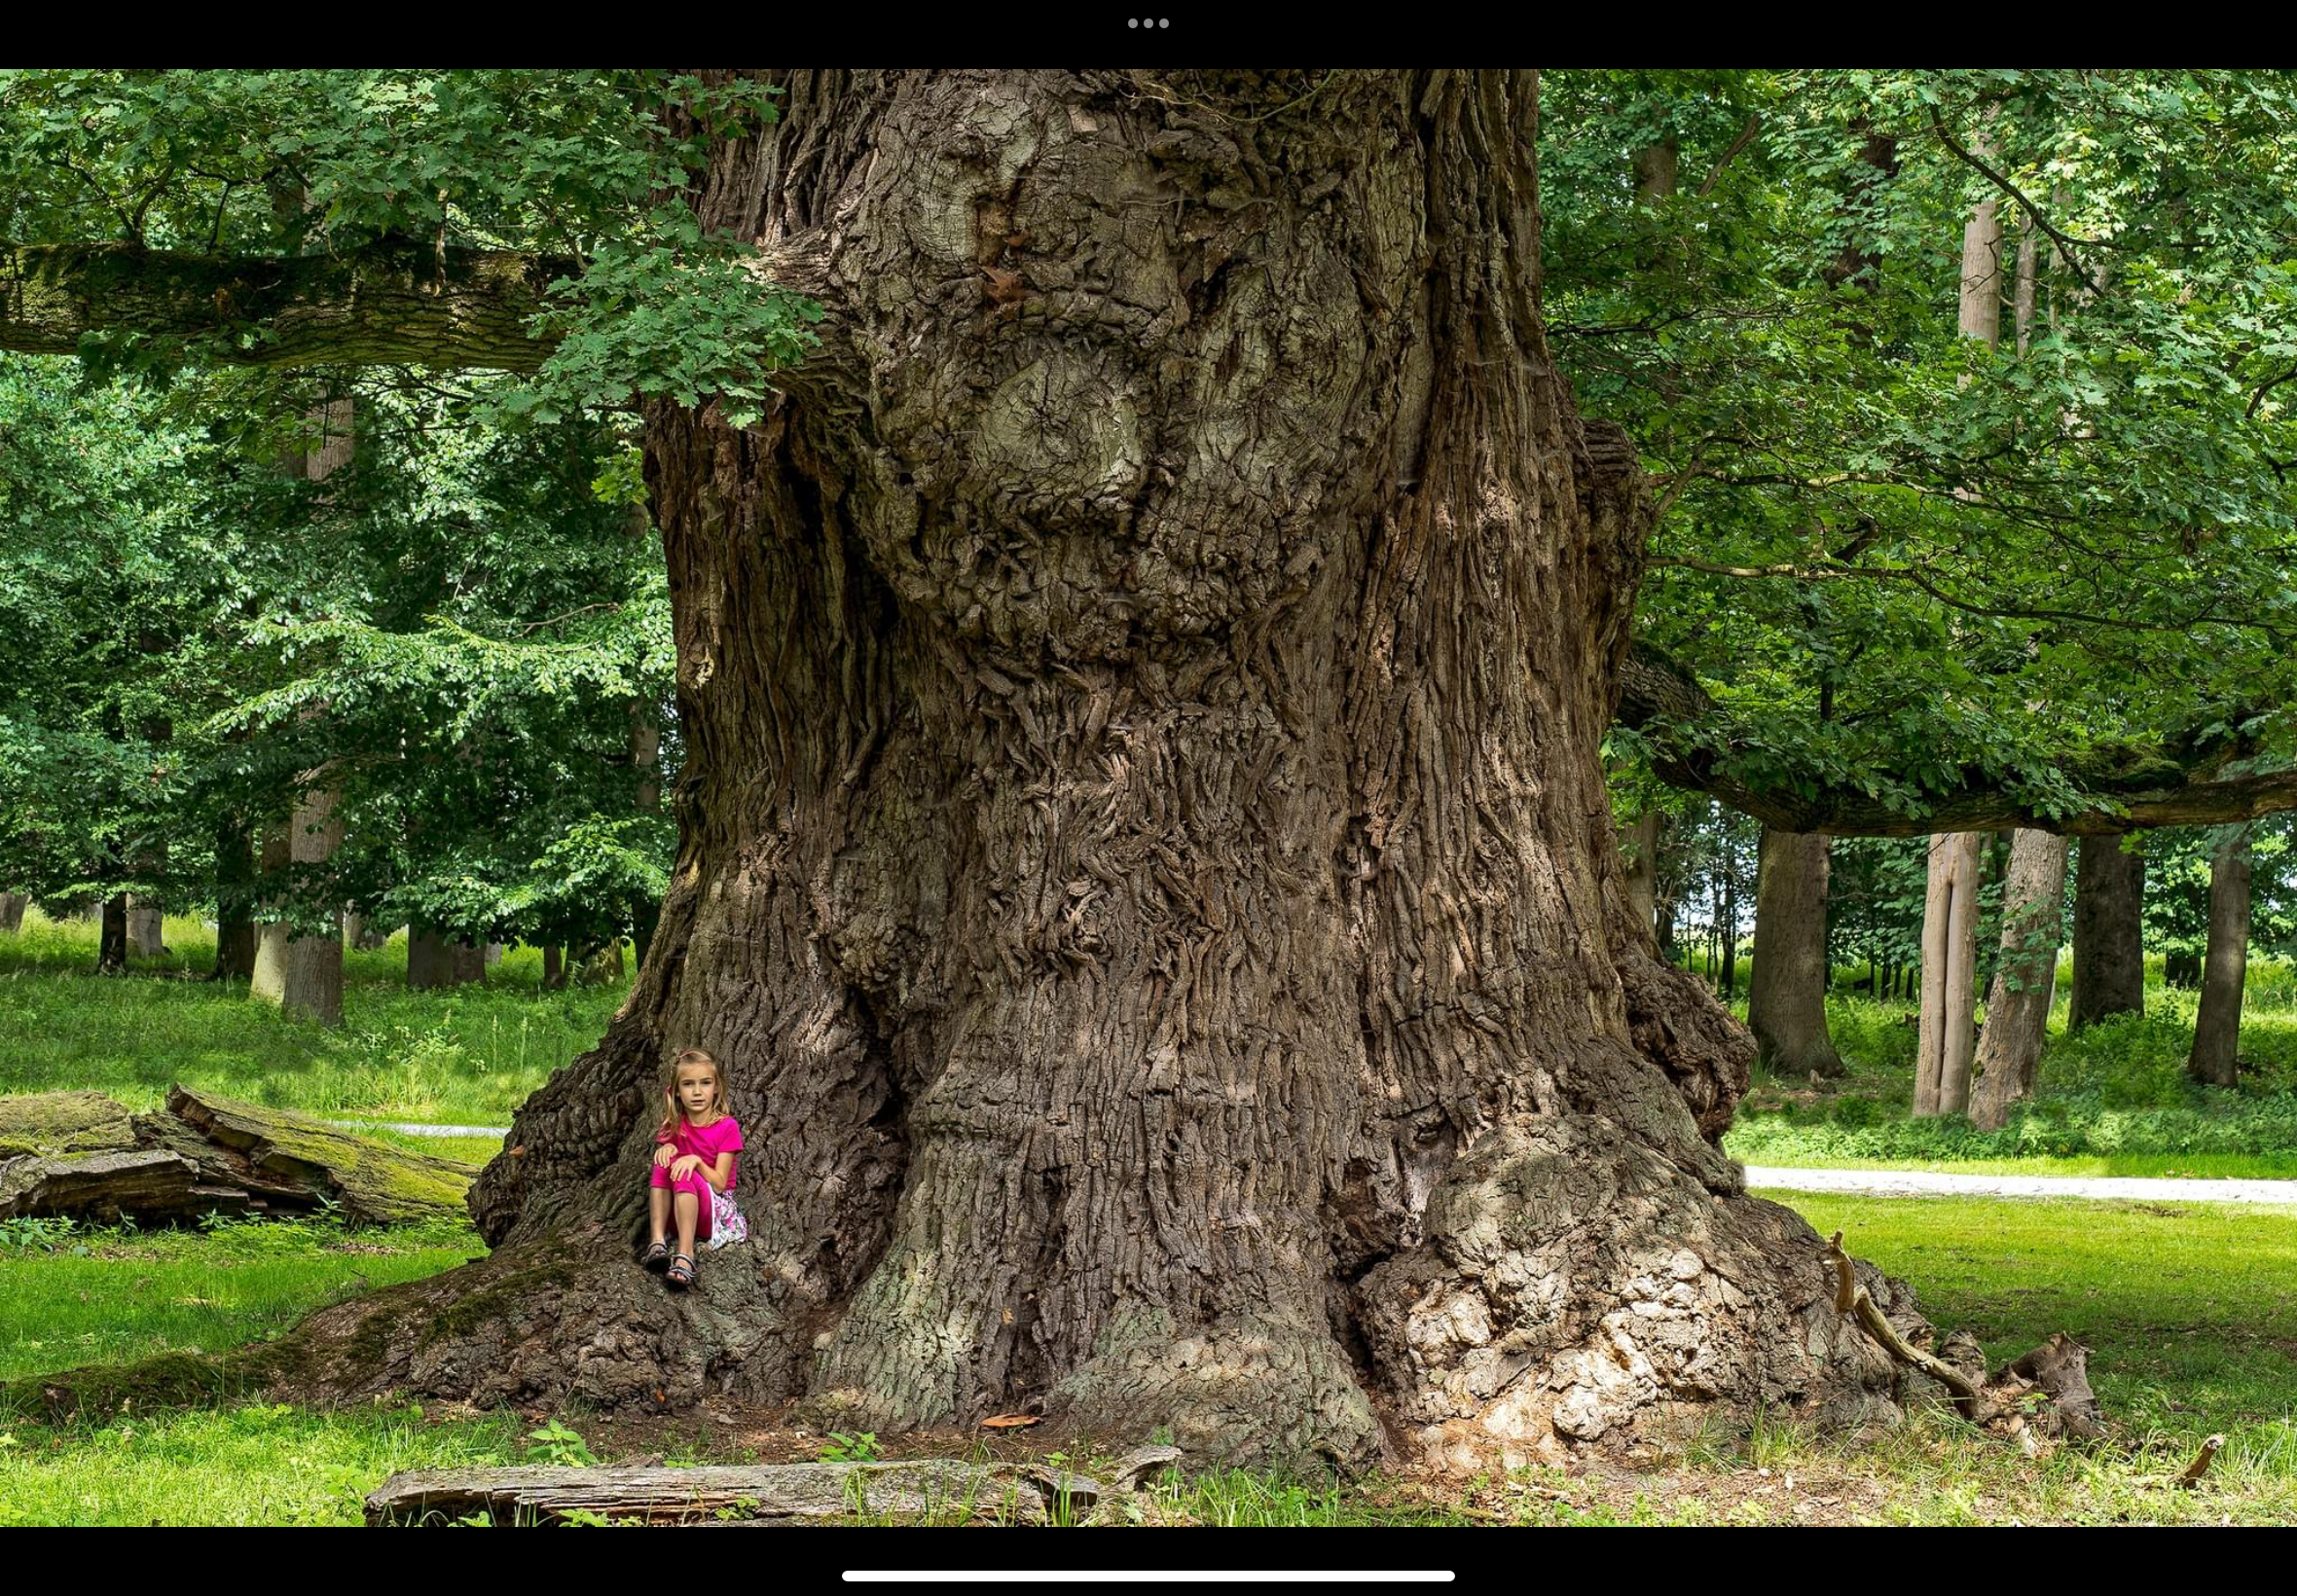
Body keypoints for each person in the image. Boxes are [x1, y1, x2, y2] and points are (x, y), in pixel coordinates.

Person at [641, 1046, 747, 1288]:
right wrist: (665, 1149)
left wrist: (696, 1161)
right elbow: (666, 1167)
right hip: (677, 1214)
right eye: (688, 1084)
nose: (698, 1092)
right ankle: (657, 1241)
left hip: (714, 1215)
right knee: (664, 1161)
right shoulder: (673, 1126)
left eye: (706, 1083)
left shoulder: (727, 1126)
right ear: (677, 1091)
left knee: (684, 1171)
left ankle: (686, 1255)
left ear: (717, 1087)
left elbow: (720, 1184)